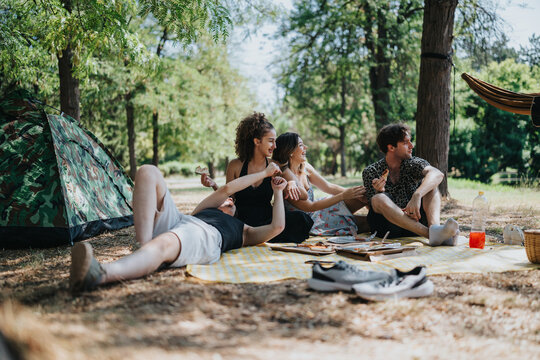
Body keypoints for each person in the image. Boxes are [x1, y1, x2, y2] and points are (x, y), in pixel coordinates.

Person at [69, 163, 287, 292]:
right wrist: (264, 173)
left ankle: (100, 274)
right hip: (181, 222)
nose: (228, 200)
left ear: (234, 208)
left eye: (231, 202)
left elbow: (277, 226)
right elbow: (228, 188)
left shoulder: (243, 230)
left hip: (204, 235)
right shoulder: (208, 207)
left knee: (166, 242)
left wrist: (277, 192)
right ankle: (144, 248)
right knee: (147, 171)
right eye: (227, 199)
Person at [202, 112, 313, 243]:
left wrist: (291, 183)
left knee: (301, 219)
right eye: (271, 141)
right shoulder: (235, 165)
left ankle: (260, 237)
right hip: (242, 223)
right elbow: (229, 199)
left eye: (275, 141)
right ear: (257, 141)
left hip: (268, 222)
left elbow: (304, 196)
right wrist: (214, 186)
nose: (275, 146)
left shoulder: (274, 165)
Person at [362, 123, 459, 246]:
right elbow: (373, 207)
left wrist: (417, 195)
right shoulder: (372, 171)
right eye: (406, 143)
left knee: (431, 185)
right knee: (378, 198)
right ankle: (431, 235)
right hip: (388, 228)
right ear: (391, 148)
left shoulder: (412, 163)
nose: (411, 146)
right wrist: (380, 191)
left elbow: (437, 174)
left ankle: (435, 228)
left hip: (416, 221)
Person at [271, 132, 370, 236]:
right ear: (290, 151)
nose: (306, 147)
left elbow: (329, 187)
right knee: (368, 222)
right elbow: (310, 207)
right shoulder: (285, 178)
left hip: (320, 210)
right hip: (311, 222)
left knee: (365, 194)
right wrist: (343, 195)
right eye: (301, 145)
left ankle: (381, 211)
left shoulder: (305, 167)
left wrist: (354, 193)